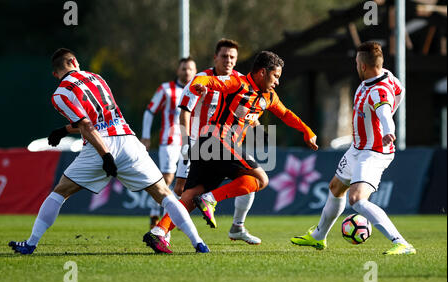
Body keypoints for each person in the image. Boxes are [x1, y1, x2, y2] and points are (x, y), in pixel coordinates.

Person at [8, 48, 209, 255]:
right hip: (128, 141)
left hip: (99, 146)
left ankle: (31, 243)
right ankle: (199, 243)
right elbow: (102, 115)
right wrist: (65, 130)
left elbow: (88, 126)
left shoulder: (59, 94)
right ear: (75, 62)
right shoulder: (97, 77)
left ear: (55, 74)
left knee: (60, 192)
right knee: (164, 194)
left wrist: (105, 156)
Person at [148, 50, 318, 253]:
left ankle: (159, 232)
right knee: (261, 179)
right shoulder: (238, 83)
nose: (278, 82)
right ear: (262, 72)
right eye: (276, 76)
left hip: (206, 144)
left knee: (191, 195)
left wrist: (306, 131)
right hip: (217, 140)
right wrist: (196, 84)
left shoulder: (269, 97)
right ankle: (212, 201)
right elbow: (209, 80)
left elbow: (286, 114)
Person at [290, 41, 416, 255]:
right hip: (357, 149)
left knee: (356, 199)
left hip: (373, 153)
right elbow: (400, 91)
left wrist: (388, 130)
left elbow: (385, 113)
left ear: (364, 66)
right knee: (335, 188)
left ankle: (401, 243)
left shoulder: (378, 91)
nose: (355, 65)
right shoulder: (385, 76)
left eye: (357, 62)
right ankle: (319, 237)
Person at [153, 39, 261, 245]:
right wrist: (186, 143)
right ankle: (163, 230)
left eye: (232, 57)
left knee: (249, 178)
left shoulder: (240, 81)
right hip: (198, 143)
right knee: (181, 189)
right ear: (215, 57)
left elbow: (245, 111)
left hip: (225, 144)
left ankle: (238, 226)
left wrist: (252, 118)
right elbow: (184, 111)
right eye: (224, 56)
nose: (228, 60)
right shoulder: (201, 79)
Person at [140, 57, 197, 229]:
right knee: (168, 178)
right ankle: (154, 213)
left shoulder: (199, 90)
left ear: (195, 71)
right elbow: (150, 111)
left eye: (190, 69)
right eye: (184, 68)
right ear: (178, 70)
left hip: (190, 141)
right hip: (169, 140)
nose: (187, 72)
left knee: (185, 182)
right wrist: (146, 136)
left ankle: (172, 216)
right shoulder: (166, 89)